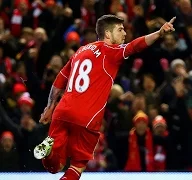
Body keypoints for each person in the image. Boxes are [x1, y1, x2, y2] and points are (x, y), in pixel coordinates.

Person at [33, 14, 176, 180]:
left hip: (62, 112)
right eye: (120, 30)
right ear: (108, 34)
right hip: (87, 117)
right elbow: (135, 46)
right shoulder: (110, 51)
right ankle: (50, 152)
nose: (124, 34)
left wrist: (50, 106)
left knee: (54, 166)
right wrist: (158, 33)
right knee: (78, 165)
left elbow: (60, 80)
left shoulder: (81, 50)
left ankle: (48, 151)